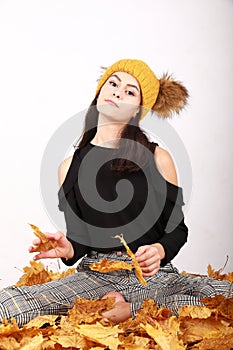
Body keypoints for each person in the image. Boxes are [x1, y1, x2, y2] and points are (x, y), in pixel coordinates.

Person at [0, 58, 232, 327]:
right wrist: (67, 248)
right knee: (7, 304)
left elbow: (177, 230)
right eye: (113, 83)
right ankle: (115, 306)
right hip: (96, 276)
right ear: (101, 90)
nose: (118, 92)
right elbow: (81, 238)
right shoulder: (68, 167)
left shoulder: (159, 158)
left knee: (223, 299)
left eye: (130, 91)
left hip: (154, 278)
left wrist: (158, 249)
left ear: (138, 109)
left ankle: (132, 309)